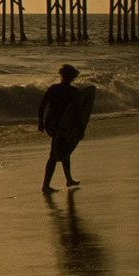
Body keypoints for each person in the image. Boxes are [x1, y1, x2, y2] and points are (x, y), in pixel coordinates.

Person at [37, 63, 90, 193]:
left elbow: (42, 106)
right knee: (54, 155)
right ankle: (45, 185)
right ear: (72, 77)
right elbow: (77, 113)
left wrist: (41, 122)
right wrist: (80, 129)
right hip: (63, 126)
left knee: (65, 150)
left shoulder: (54, 88)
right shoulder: (73, 92)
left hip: (52, 124)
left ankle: (69, 179)